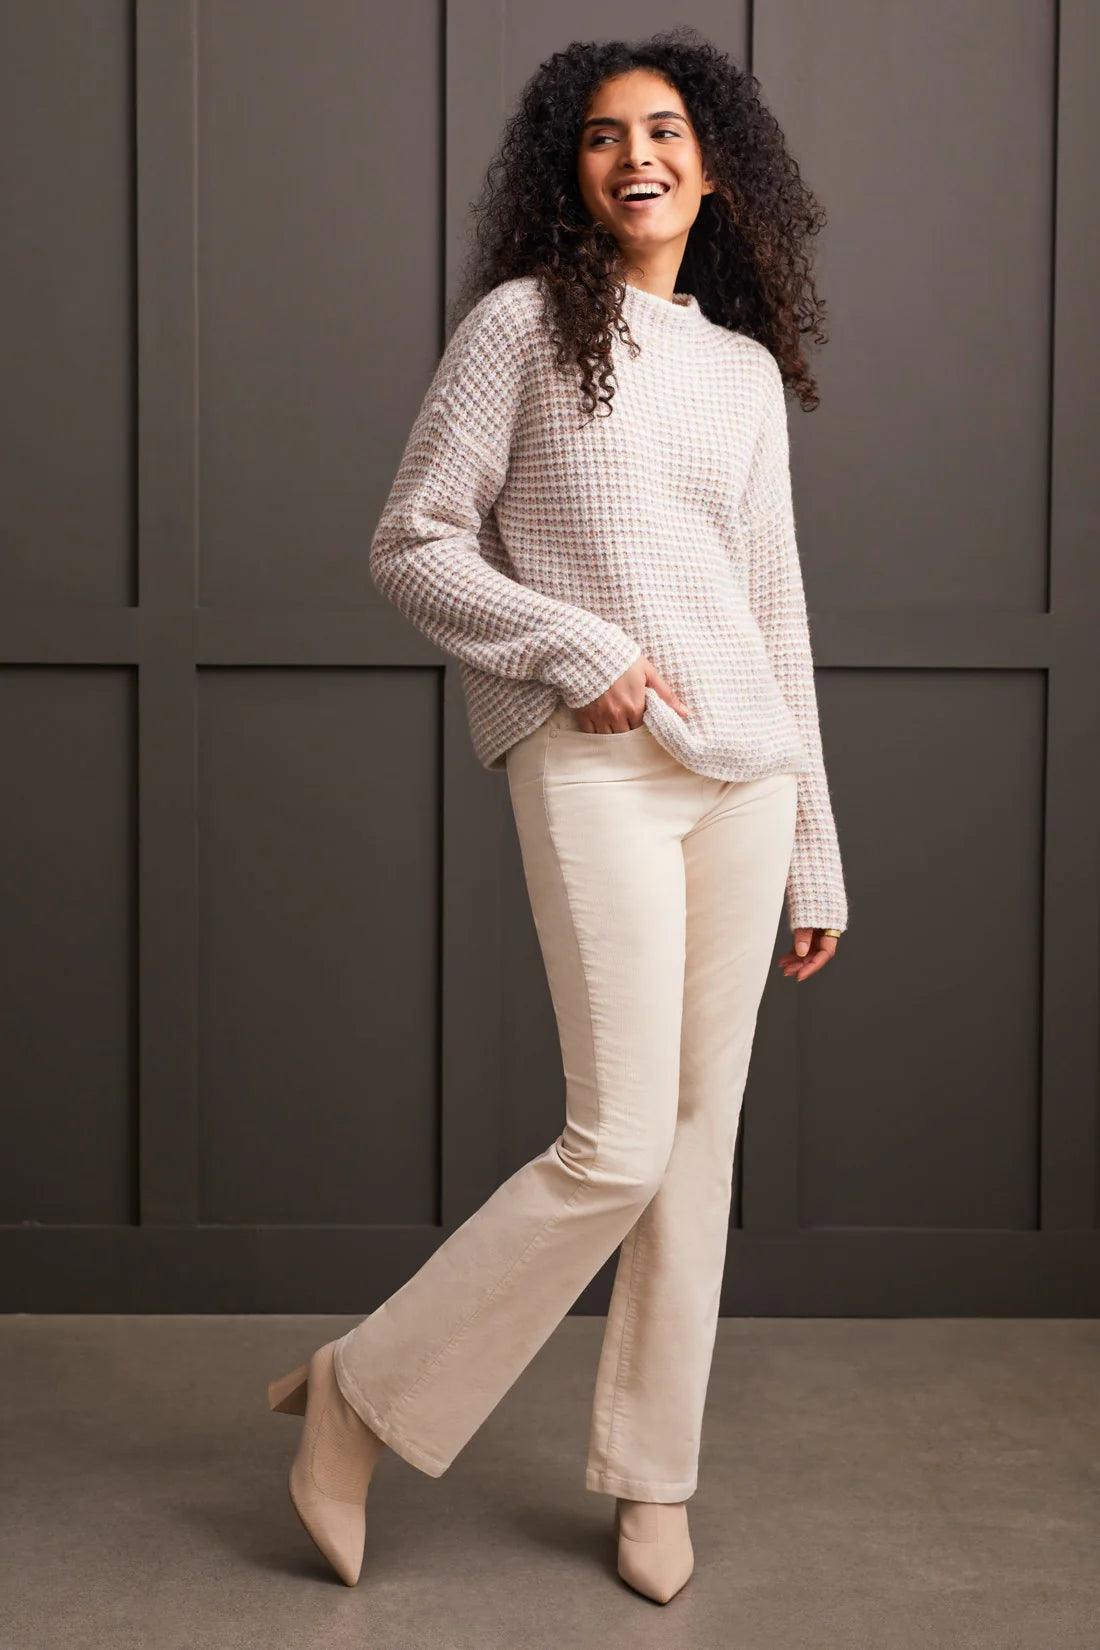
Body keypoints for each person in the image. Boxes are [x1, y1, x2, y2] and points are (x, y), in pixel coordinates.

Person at [267, 27, 849, 1605]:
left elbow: (776, 617)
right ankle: (362, 1394)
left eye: (665, 131)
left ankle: (656, 1477)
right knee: (618, 1142)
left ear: (715, 169)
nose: (635, 156)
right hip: (594, 761)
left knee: (697, 1151)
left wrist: (815, 845)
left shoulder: (739, 375)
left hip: (745, 776)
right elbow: (412, 542)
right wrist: (573, 645)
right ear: (568, 169)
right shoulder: (521, 327)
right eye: (602, 135)